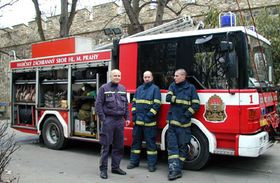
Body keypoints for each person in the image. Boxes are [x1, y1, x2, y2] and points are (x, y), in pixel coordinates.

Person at [95, 69, 130, 179]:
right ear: (110, 76)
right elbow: (98, 105)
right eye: (115, 75)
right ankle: (103, 169)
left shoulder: (123, 88)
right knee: (106, 146)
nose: (117, 77)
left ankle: (115, 168)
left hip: (119, 120)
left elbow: (126, 105)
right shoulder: (104, 88)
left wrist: (127, 117)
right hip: (108, 120)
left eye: (119, 75)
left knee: (119, 146)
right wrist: (103, 119)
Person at [166, 69, 200, 181]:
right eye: (174, 76)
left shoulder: (191, 88)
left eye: (176, 76)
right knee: (172, 147)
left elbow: (196, 104)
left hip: (184, 125)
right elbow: (168, 98)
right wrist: (179, 100)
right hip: (172, 123)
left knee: (183, 147)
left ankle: (177, 169)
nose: (174, 77)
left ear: (183, 76)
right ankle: (173, 170)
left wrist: (186, 115)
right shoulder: (172, 86)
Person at [127, 71, 161, 172]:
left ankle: (151, 165)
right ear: (143, 78)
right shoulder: (139, 89)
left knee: (151, 145)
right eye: (145, 77)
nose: (146, 79)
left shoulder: (155, 89)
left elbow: (157, 105)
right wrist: (134, 115)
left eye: (148, 77)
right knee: (135, 144)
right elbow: (134, 103)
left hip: (149, 123)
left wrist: (148, 116)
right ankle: (134, 162)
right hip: (138, 123)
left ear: (152, 77)